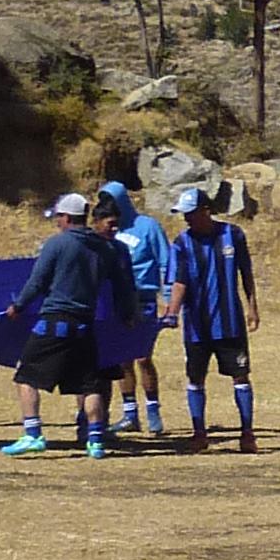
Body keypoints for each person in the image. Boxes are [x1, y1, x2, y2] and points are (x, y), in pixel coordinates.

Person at [3, 193, 121, 458]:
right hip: (86, 324)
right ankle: (96, 441)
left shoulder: (57, 244)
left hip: (55, 321)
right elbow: (119, 284)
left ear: (67, 218)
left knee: (25, 376)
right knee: (90, 384)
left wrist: (18, 306)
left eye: (58, 217)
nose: (57, 222)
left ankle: (32, 434)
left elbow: (37, 282)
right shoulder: (103, 248)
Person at [173, 187, 262, 450]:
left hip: (229, 323)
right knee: (195, 378)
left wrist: (253, 307)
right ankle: (199, 433)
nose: (187, 219)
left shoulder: (232, 235)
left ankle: (247, 433)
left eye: (191, 213)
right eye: (184, 215)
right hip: (196, 327)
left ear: (206, 210)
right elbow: (179, 282)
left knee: (240, 376)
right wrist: (171, 312)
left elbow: (246, 273)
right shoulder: (181, 243)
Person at [108, 183, 179, 444]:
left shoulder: (148, 226)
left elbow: (165, 262)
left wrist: (169, 300)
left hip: (144, 300)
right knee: (121, 360)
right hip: (117, 301)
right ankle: (129, 414)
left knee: (142, 357)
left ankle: (153, 411)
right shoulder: (110, 229)